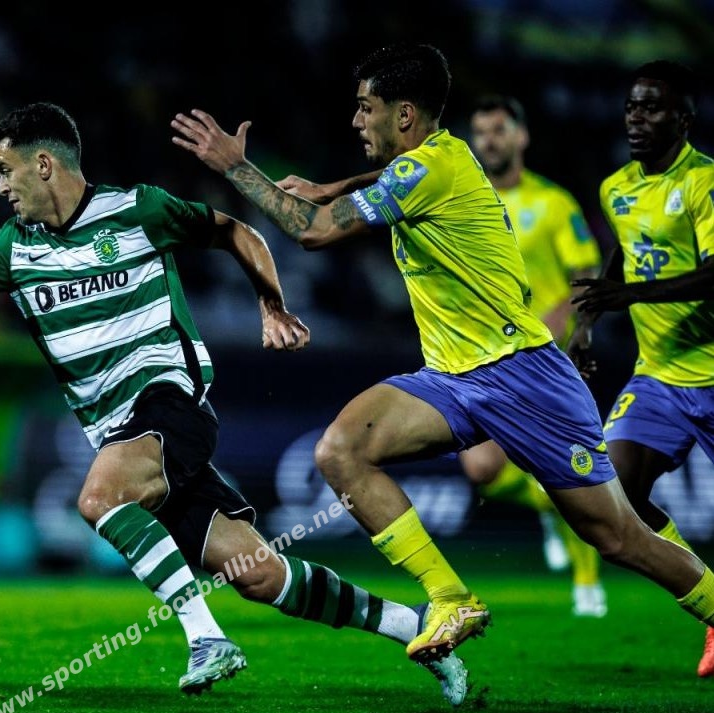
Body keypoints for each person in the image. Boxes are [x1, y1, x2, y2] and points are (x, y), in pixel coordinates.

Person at [0, 101, 471, 705]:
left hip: (169, 402)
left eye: (6, 171)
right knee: (262, 576)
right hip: (118, 434)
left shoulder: (137, 210)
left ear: (44, 164)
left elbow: (236, 231)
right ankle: (414, 625)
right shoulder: (11, 248)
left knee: (100, 498)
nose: (1, 187)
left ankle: (206, 638)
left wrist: (271, 305)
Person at [170, 43, 714, 671]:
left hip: (523, 375)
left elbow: (313, 231)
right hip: (453, 377)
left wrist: (237, 168)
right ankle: (450, 598)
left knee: (618, 537)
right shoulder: (436, 160)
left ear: (403, 115)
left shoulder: (434, 168)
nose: (355, 121)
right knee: (341, 450)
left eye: (365, 107)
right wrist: (332, 185)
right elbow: (388, 182)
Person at [568, 60, 714, 676]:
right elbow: (623, 254)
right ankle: (711, 601)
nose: (636, 118)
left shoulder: (704, 182)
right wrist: (585, 324)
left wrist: (627, 297)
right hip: (659, 377)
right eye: (631, 106)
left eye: (652, 107)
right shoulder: (616, 188)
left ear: (683, 119)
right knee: (613, 497)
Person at [460, 94, 607, 617]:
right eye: (480, 132)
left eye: (499, 129)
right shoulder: (463, 204)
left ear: (521, 136)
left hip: (546, 358)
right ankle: (549, 506)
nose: (489, 140)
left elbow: (586, 276)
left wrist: (558, 325)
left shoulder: (553, 203)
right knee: (481, 468)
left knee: (571, 466)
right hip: (484, 357)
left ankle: (588, 585)